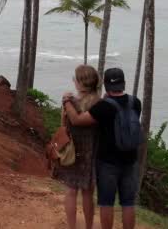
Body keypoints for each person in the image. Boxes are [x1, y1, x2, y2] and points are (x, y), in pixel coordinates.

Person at [63, 68, 141, 229]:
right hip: (130, 159)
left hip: (107, 161)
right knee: (128, 203)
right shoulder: (135, 102)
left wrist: (65, 101)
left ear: (105, 84)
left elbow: (77, 121)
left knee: (106, 202)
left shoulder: (102, 106)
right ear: (124, 83)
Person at [54, 65, 100, 229]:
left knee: (71, 191)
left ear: (80, 83)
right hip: (91, 152)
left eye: (75, 78)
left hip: (72, 152)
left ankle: (72, 227)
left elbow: (65, 123)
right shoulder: (98, 103)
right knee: (88, 193)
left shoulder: (70, 101)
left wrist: (66, 101)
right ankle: (89, 226)